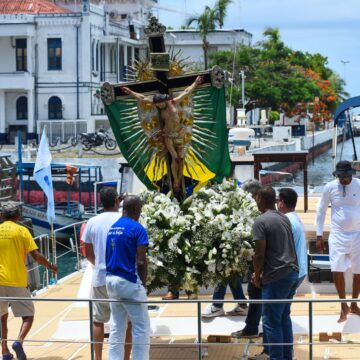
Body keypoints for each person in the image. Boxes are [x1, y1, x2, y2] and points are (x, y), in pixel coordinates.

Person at [121, 75, 203, 194]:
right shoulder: (159, 107)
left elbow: (186, 92)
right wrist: (130, 92)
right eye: (157, 104)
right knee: (175, 158)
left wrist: (195, 83)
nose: (158, 106)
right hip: (168, 137)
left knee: (181, 159)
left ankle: (178, 181)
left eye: (159, 103)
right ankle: (176, 182)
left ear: (164, 101)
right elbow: (143, 98)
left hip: (180, 134)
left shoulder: (174, 102)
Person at [0, 201, 58, 360]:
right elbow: (37, 257)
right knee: (28, 315)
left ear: (2, 216)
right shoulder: (22, 231)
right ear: (18, 216)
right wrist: (51, 266)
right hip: (16, 281)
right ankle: (18, 342)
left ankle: (4, 352)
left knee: (2, 317)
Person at [250, 187, 299, 360]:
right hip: (292, 273)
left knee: (271, 321)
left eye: (256, 198)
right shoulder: (283, 218)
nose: (255, 201)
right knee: (283, 317)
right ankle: (287, 356)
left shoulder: (260, 221)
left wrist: (257, 274)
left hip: (277, 277)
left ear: (262, 199)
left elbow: (259, 253)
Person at [83, 187, 131, 360]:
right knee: (127, 322)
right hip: (123, 278)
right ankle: (125, 358)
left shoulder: (92, 222)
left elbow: (87, 253)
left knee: (98, 321)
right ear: (118, 201)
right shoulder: (125, 220)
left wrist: (100, 265)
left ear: (101, 202)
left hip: (100, 278)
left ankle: (97, 358)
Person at [106, 195, 150, 360]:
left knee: (117, 327)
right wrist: (143, 284)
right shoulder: (137, 228)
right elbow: (141, 261)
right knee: (141, 327)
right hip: (128, 281)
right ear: (136, 210)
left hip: (110, 281)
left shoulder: (113, 227)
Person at [316, 160, 360, 323]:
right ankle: (343, 306)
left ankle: (354, 304)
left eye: (347, 176)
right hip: (338, 234)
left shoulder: (359, 184)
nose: (344, 179)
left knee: (359, 272)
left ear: (351, 174)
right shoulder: (330, 187)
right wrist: (319, 235)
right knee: (336, 269)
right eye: (341, 176)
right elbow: (321, 211)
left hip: (358, 234)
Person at [231, 179, 263, 338]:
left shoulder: (260, 215)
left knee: (256, 294)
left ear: (255, 195)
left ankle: (252, 329)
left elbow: (259, 248)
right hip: (256, 263)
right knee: (254, 294)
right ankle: (251, 327)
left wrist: (257, 272)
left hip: (260, 264)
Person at [278, 188, 308, 288]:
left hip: (292, 272)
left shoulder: (286, 220)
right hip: (301, 270)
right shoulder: (295, 218)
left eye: (278, 200)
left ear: (281, 203)